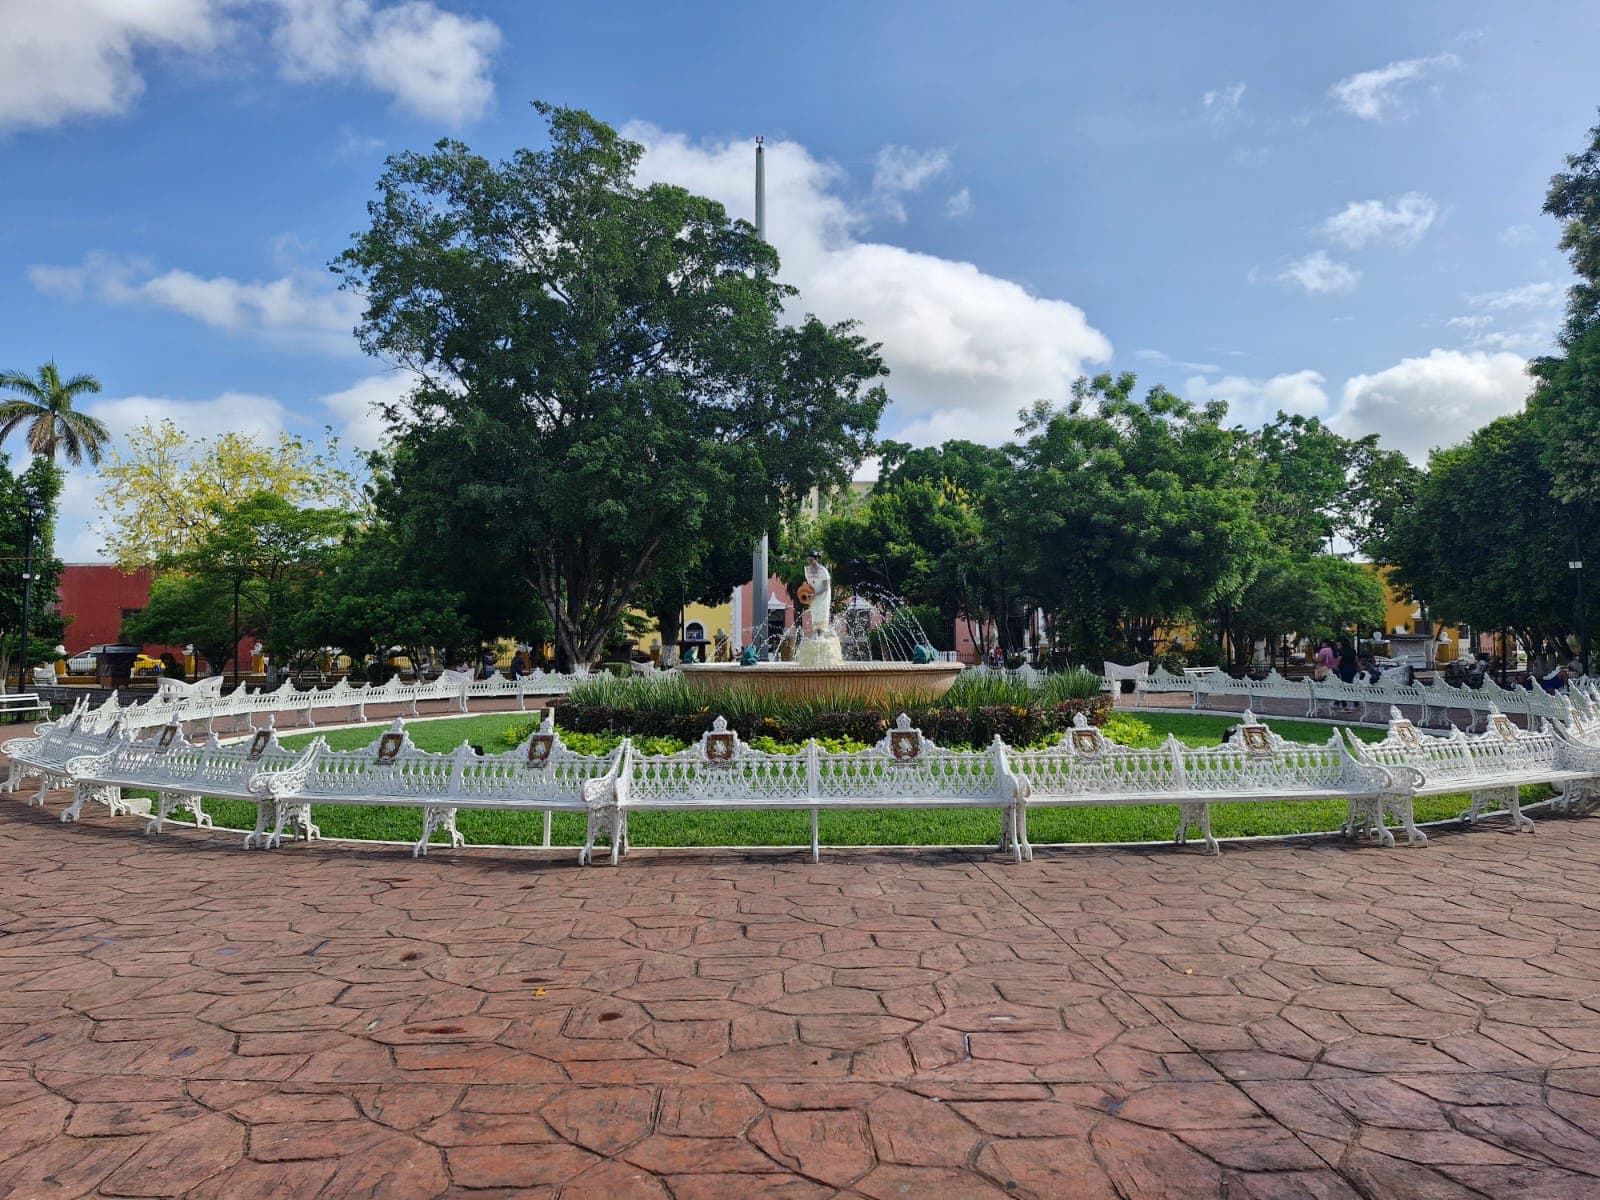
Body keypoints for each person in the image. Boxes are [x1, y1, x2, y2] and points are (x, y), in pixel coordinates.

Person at [1334, 637, 1359, 711]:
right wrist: (1358, 668)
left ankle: (1343, 703)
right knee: (1349, 685)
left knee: (1343, 687)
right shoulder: (1352, 650)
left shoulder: (1341, 650)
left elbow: (1339, 660)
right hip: (1352, 670)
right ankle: (1339, 702)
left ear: (1342, 643)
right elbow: (1356, 660)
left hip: (1344, 670)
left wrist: (1335, 667)